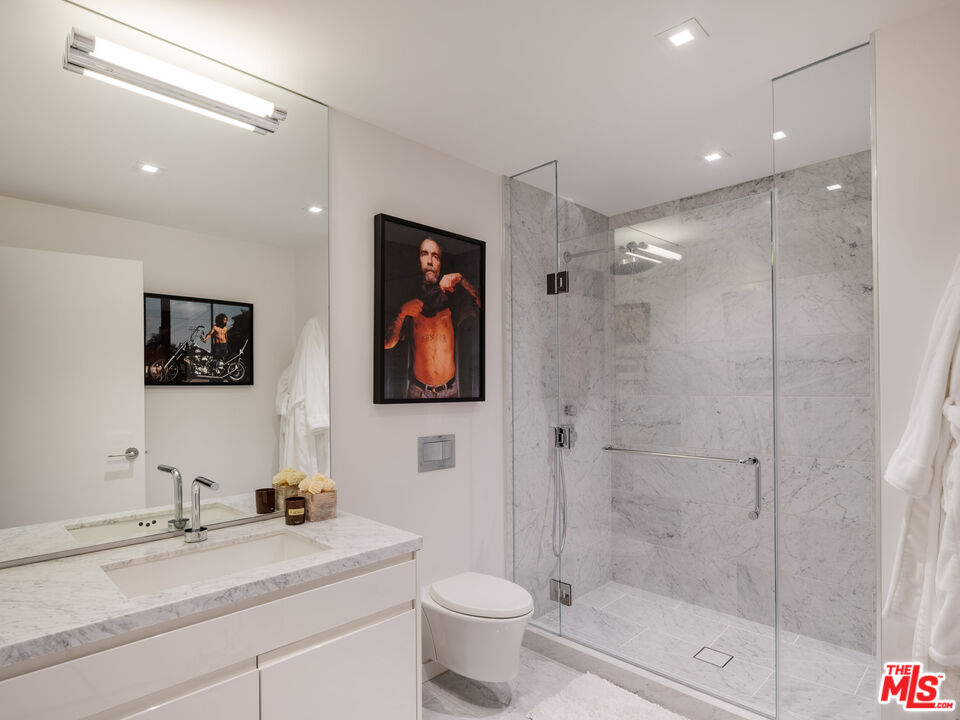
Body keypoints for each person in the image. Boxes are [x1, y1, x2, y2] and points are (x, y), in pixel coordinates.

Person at [384, 237, 480, 398]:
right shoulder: (407, 299)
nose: (430, 261)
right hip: (418, 392)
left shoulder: (453, 299)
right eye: (424, 254)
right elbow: (388, 343)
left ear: (440, 264)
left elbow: (487, 305)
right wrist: (401, 313)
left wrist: (461, 279)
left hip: (451, 391)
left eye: (435, 256)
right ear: (418, 261)